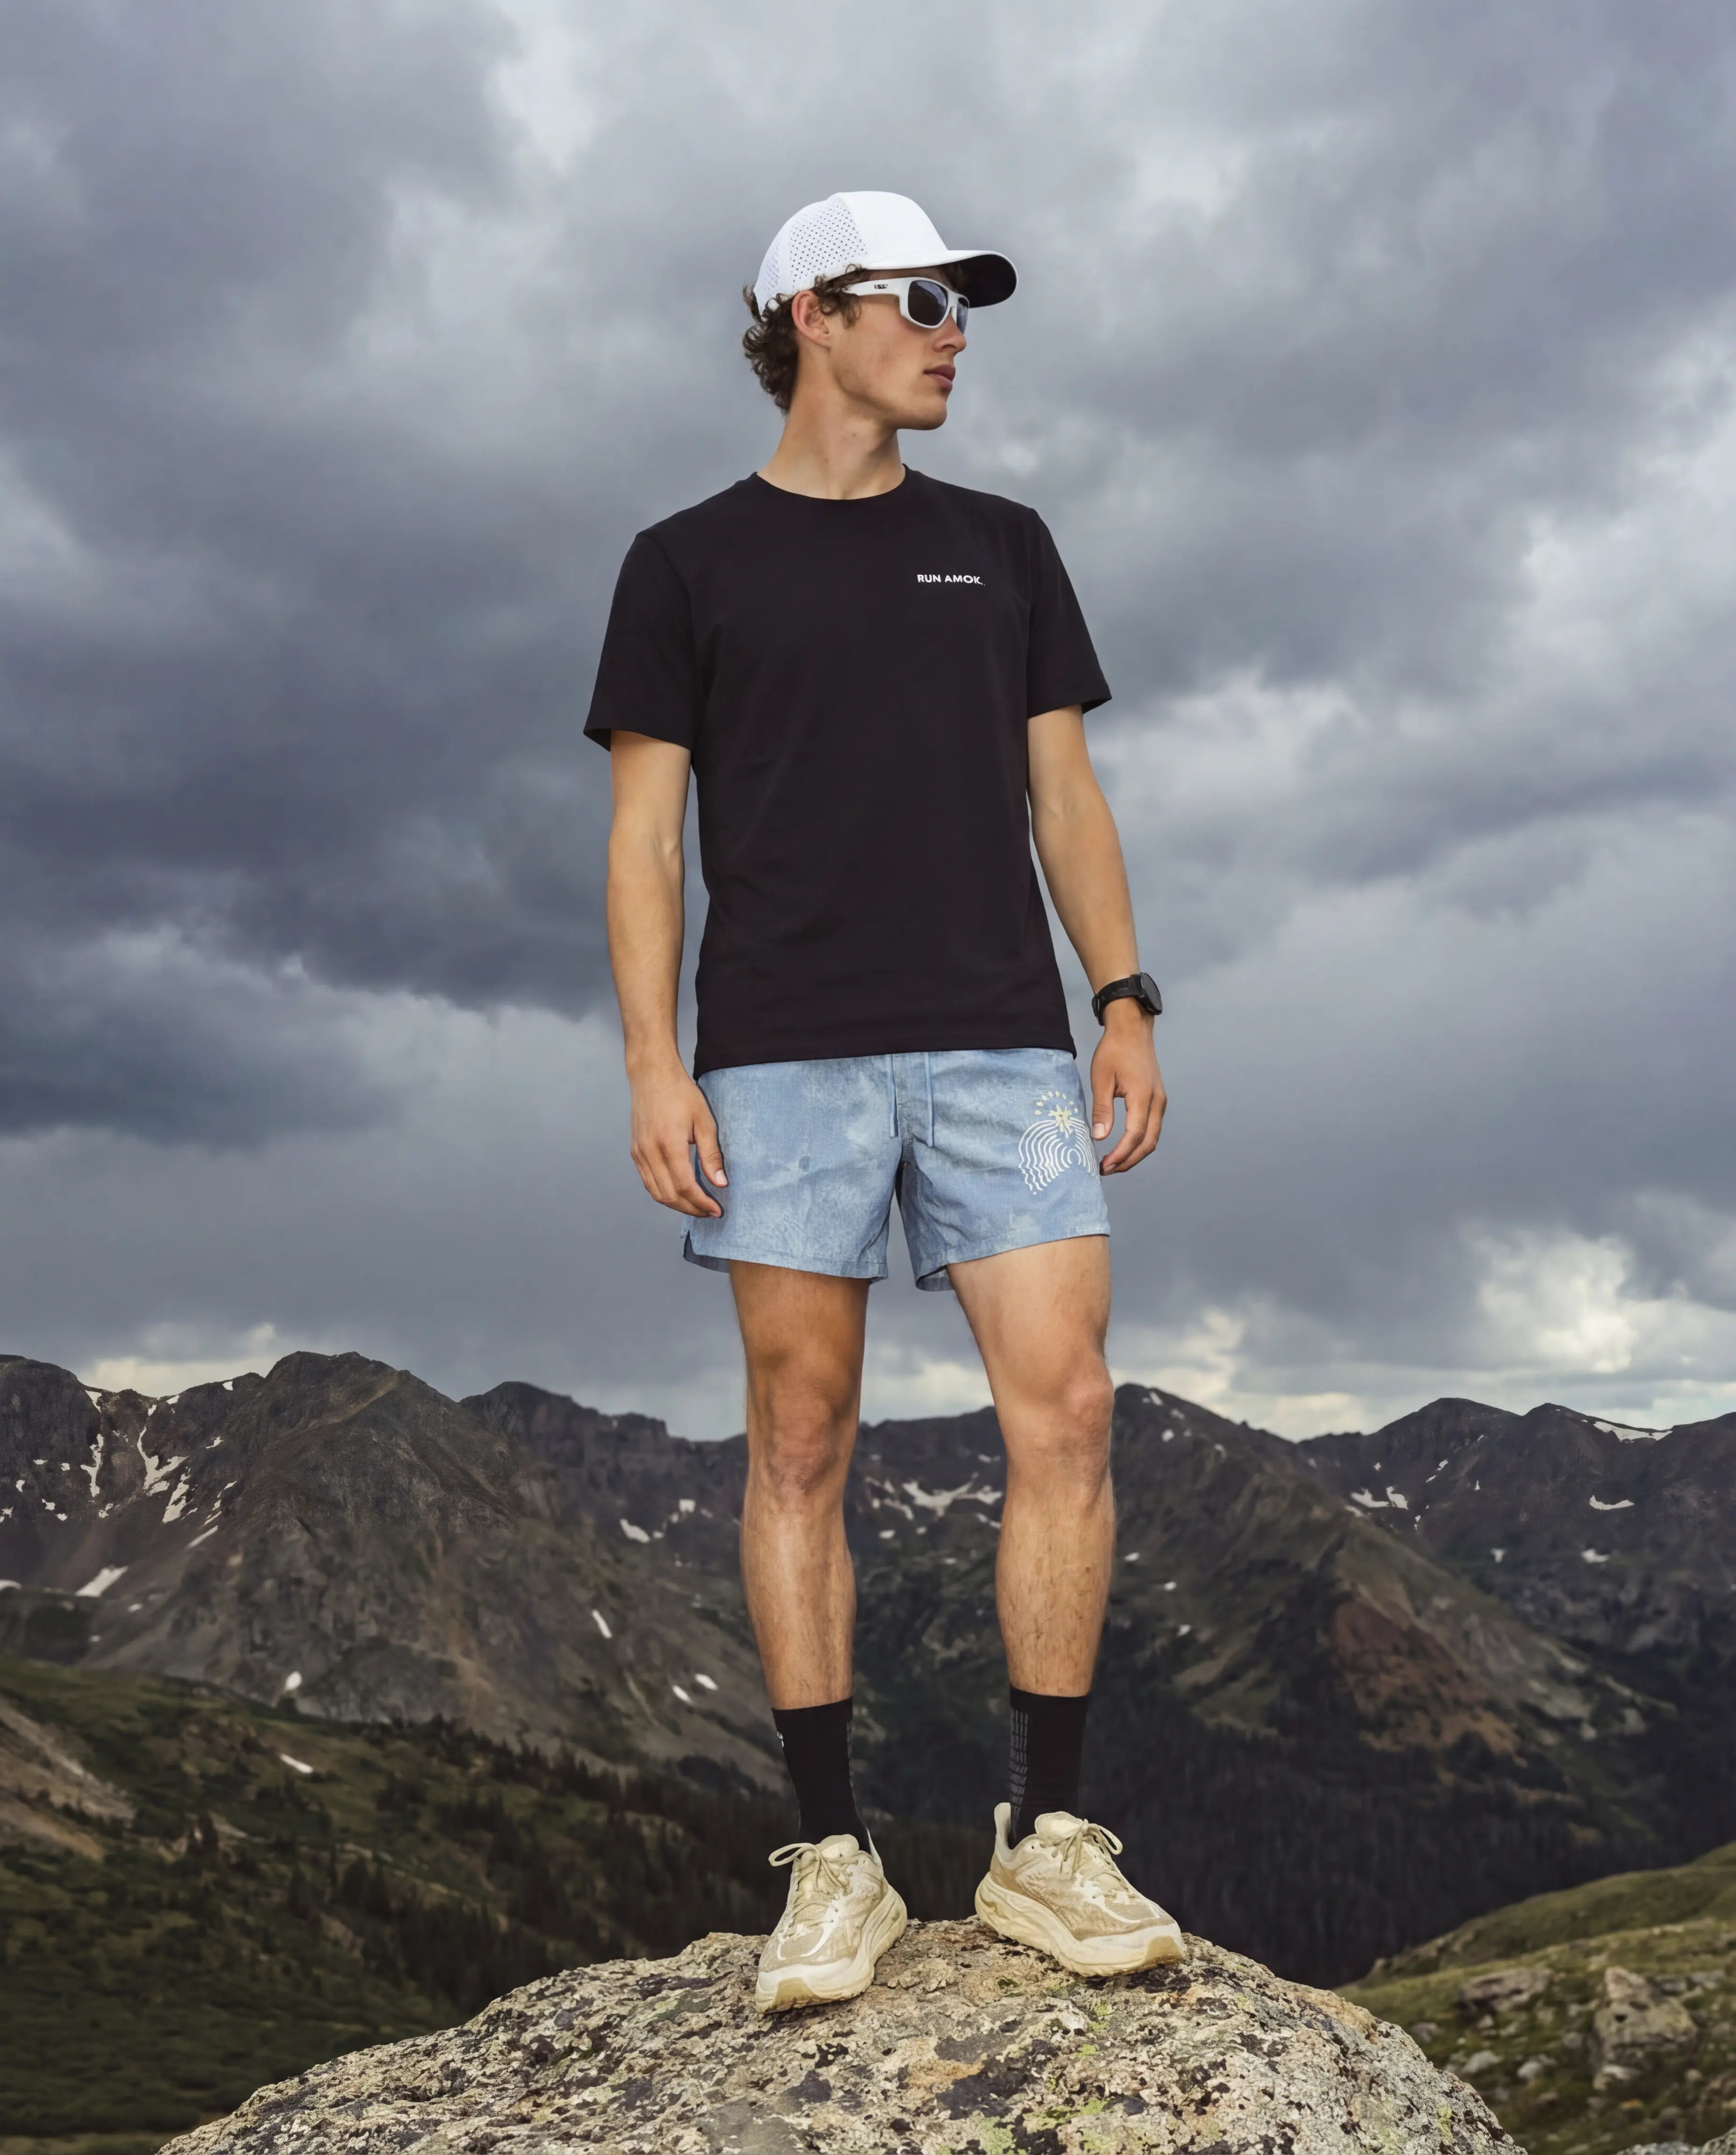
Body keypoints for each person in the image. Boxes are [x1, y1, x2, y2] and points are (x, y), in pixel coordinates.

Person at [586, 190, 1182, 2013]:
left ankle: (1050, 1847)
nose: (955, 332)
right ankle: (832, 1864)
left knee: (1066, 1407)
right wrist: (653, 1061)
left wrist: (1126, 998)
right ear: (812, 318)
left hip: (1002, 1039)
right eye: (923, 301)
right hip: (777, 1051)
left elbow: (1061, 798)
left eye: (964, 302)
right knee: (798, 1437)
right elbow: (643, 838)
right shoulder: (682, 563)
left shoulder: (1001, 544)